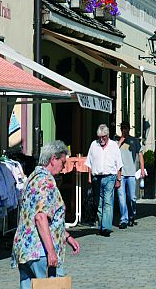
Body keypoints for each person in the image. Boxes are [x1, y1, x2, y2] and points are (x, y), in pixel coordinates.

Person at [13, 141, 80, 288]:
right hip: (40, 251)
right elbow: (40, 217)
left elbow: (36, 215)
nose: (63, 168)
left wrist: (66, 236)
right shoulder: (46, 181)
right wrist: (51, 252)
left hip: (25, 250)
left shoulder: (33, 178)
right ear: (53, 159)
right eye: (63, 163)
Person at [84, 123, 123, 236]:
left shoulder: (114, 145)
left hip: (110, 177)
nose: (101, 139)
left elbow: (119, 164)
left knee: (107, 201)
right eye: (99, 137)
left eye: (103, 137)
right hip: (97, 178)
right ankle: (101, 226)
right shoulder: (93, 145)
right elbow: (89, 163)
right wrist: (90, 177)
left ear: (107, 135)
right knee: (99, 203)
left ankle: (106, 227)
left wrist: (118, 179)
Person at [116, 121, 144, 229]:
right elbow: (113, 153)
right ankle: (124, 219)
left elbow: (140, 154)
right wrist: (120, 142)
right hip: (121, 174)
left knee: (132, 197)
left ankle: (132, 215)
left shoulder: (135, 141)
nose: (125, 130)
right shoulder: (116, 142)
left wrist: (142, 168)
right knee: (121, 198)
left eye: (126, 128)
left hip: (131, 173)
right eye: (123, 128)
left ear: (129, 129)